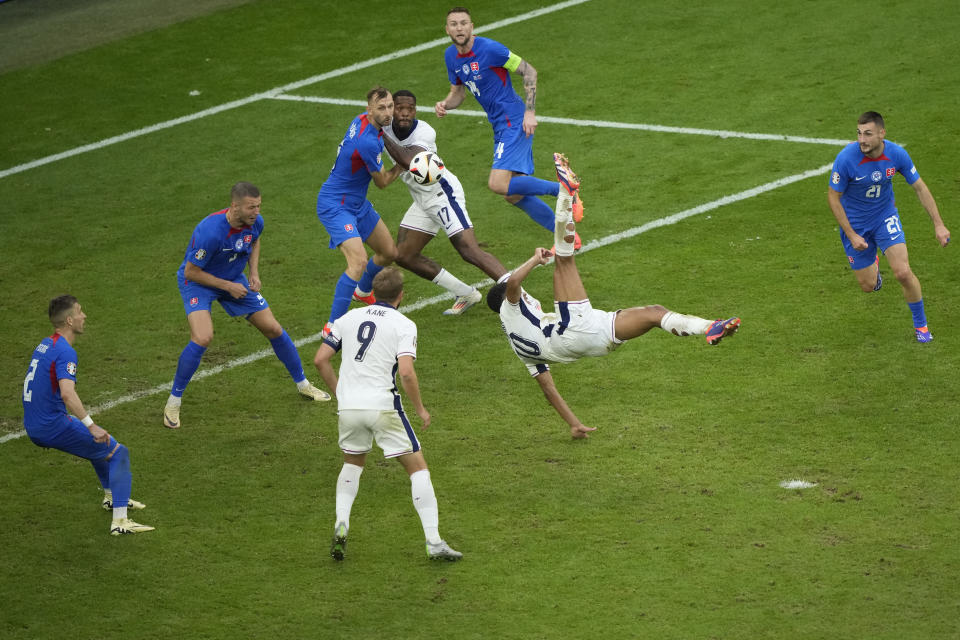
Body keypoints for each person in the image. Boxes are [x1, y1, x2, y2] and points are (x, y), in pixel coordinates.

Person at [486, 159, 741, 438]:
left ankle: (709, 327)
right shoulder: (509, 311)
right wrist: (534, 260)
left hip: (594, 342)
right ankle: (565, 193)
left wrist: (573, 423)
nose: (525, 294)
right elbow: (512, 284)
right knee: (564, 261)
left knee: (654, 313)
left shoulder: (518, 346)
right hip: (572, 330)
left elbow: (548, 389)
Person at [313, 267, 462, 561]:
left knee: (352, 465)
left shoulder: (347, 318)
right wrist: (420, 408)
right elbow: (405, 372)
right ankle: (433, 541)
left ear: (373, 292)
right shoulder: (404, 324)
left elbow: (320, 359)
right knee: (418, 469)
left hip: (349, 408)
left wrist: (341, 392)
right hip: (382, 406)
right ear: (401, 296)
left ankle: (341, 523)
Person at [163, 181, 329, 429]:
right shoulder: (209, 232)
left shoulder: (255, 223)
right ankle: (173, 402)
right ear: (235, 206)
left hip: (234, 279)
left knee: (273, 328)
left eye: (259, 206)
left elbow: (255, 240)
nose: (256, 212)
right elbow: (191, 272)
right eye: (251, 207)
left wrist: (254, 272)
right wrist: (228, 287)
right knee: (203, 337)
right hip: (199, 283)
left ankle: (304, 384)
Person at [435, 7, 584, 248]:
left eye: (464, 23)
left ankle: (563, 189)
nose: (459, 28)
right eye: (454, 24)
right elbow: (458, 93)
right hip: (499, 125)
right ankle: (568, 237)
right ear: (447, 29)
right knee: (513, 194)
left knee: (497, 184)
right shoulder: (450, 57)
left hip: (513, 120)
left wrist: (530, 111)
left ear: (472, 26)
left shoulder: (491, 49)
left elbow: (529, 71)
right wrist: (445, 105)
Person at [22, 295, 154, 535]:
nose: (85, 316)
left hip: (36, 422)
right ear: (70, 320)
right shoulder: (65, 352)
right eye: (80, 312)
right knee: (118, 452)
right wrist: (90, 425)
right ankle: (121, 523)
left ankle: (112, 497)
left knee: (100, 445)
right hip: (52, 425)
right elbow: (67, 394)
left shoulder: (46, 344)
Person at [381, 88, 508, 315]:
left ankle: (520, 296)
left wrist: (380, 132)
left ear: (415, 110)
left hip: (443, 195)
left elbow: (409, 160)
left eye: (410, 109)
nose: (405, 113)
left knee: (468, 249)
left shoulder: (424, 132)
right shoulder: (386, 127)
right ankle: (465, 292)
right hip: (422, 199)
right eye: (399, 108)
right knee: (403, 255)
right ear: (392, 108)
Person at [827, 111, 950, 343]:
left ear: (882, 134)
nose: (862, 139)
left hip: (884, 217)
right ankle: (873, 264)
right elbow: (833, 198)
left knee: (903, 272)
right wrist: (852, 234)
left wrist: (939, 225)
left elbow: (920, 188)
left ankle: (921, 326)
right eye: (859, 133)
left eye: (868, 134)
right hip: (856, 226)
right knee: (867, 285)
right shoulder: (846, 159)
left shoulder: (897, 154)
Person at [316, 86, 404, 333]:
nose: (388, 113)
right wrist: (404, 164)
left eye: (390, 106)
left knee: (388, 252)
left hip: (356, 203)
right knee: (358, 262)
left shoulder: (361, 120)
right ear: (369, 109)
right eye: (381, 108)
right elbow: (383, 182)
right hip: (336, 204)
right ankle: (333, 326)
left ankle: (362, 291)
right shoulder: (366, 142)